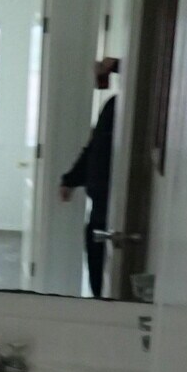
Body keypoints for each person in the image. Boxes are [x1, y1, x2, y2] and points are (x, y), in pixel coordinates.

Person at [60, 57, 120, 298]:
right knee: (98, 279)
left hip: (115, 212)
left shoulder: (131, 112)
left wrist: (115, 65)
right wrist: (70, 180)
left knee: (108, 280)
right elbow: (94, 148)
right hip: (99, 211)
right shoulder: (113, 106)